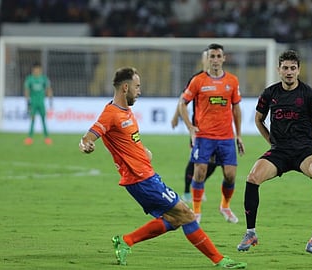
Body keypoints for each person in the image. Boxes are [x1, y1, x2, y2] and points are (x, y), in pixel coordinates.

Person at [78, 67, 246, 269]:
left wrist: (143, 151)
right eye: (137, 86)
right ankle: (219, 260)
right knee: (187, 215)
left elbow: (130, 140)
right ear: (125, 87)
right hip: (140, 180)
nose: (139, 91)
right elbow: (90, 135)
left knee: (173, 219)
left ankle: (126, 241)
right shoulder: (111, 113)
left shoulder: (127, 112)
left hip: (147, 175)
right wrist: (86, 144)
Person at [236, 50, 312, 254]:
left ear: (299, 70)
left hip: (303, 150)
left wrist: (309, 145)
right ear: (279, 70)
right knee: (252, 177)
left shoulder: (310, 95)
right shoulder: (269, 94)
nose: (289, 72)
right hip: (279, 151)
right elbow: (258, 120)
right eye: (285, 68)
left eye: (293, 68)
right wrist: (271, 141)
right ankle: (250, 233)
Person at [179, 43, 245, 224]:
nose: (215, 60)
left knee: (230, 175)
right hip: (204, 136)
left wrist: (238, 135)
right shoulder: (198, 80)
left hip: (226, 137)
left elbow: (236, 108)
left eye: (218, 56)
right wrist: (190, 127)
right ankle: (197, 211)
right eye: (212, 56)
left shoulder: (232, 81)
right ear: (207, 59)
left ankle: (225, 206)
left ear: (224, 58)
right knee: (199, 173)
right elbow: (182, 103)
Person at [171, 49, 217, 203]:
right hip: (199, 127)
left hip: (217, 129)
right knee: (197, 161)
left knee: (214, 161)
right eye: (208, 57)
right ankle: (186, 192)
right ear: (204, 60)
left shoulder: (219, 79)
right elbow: (183, 98)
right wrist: (176, 115)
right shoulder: (196, 78)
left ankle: (199, 184)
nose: (211, 60)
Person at [23, 62, 53, 145]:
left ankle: (47, 137)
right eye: (35, 69)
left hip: (41, 103)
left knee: (43, 120)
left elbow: (48, 89)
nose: (36, 71)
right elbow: (26, 90)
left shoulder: (44, 78)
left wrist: (50, 99)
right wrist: (28, 102)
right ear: (33, 70)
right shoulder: (30, 79)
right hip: (33, 102)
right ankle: (29, 138)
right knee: (32, 119)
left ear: (40, 70)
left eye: (38, 69)